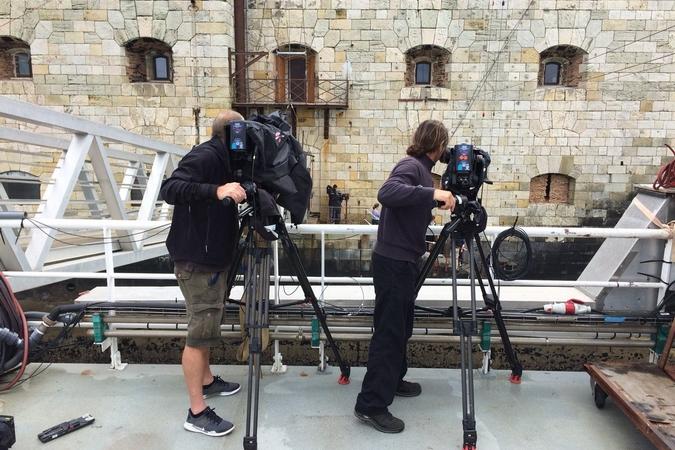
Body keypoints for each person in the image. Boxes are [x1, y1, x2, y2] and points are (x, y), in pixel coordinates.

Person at [354, 120, 456, 433]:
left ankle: (394, 380)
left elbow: (410, 203)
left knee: (403, 327)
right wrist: (434, 193)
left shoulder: (422, 171)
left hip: (404, 261)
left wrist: (431, 196)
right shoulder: (410, 166)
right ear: (437, 145)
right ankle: (370, 405)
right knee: (389, 333)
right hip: (393, 263)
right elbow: (388, 192)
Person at [160, 110, 247, 437]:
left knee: (207, 325)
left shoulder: (223, 158)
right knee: (199, 334)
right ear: (232, 133)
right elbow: (171, 188)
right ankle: (196, 411)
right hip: (198, 261)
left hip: (211, 258)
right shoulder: (206, 155)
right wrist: (217, 191)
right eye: (241, 134)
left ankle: (207, 381)